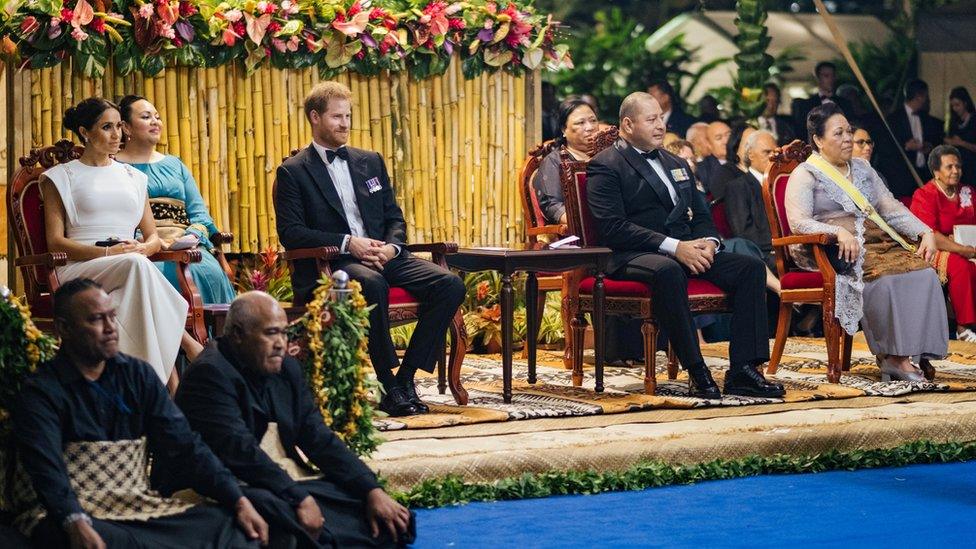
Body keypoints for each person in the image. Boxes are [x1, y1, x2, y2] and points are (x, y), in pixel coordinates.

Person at [11, 279, 268, 548]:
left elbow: (185, 445)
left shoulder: (137, 375)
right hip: (69, 512)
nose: (111, 328)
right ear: (64, 328)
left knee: (230, 527)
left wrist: (237, 499)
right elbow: (46, 469)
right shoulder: (41, 390)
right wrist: (74, 521)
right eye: (97, 320)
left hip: (134, 504)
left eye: (112, 317)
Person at [274, 81, 465, 417]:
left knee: (450, 284)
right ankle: (386, 381)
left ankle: (404, 379)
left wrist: (392, 248)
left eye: (348, 116)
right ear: (315, 117)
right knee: (372, 284)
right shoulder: (294, 171)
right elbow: (292, 233)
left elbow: (394, 217)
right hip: (333, 264)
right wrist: (349, 242)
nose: (345, 124)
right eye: (336, 117)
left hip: (383, 255)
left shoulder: (370, 161)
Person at [163, 292, 413, 548]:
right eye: (271, 333)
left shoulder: (286, 368)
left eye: (284, 333)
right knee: (285, 516)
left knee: (390, 519)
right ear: (237, 334)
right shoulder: (209, 374)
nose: (281, 343)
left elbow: (317, 436)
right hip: (221, 485)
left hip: (279, 480)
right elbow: (239, 452)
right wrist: (299, 499)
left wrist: (371, 489)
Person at [586, 91, 783, 399]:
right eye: (650, 120)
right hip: (632, 254)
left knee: (750, 268)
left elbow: (703, 213)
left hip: (686, 248)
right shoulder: (606, 165)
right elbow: (614, 227)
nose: (660, 126)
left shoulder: (675, 162)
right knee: (668, 271)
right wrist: (675, 247)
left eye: (660, 119)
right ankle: (696, 368)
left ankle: (744, 370)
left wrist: (709, 242)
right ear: (627, 124)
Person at [40, 97, 201, 390]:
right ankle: (185, 346)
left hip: (130, 266)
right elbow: (55, 243)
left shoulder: (133, 177)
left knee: (132, 284)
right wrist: (108, 252)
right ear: (84, 132)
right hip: (79, 269)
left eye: (118, 127)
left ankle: (146, 391)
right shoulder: (58, 177)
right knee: (134, 265)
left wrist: (144, 248)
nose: (117, 135)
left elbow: (152, 237)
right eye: (106, 127)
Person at [785, 103, 947, 382]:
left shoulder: (862, 168)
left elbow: (889, 207)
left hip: (875, 240)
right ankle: (892, 358)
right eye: (839, 133)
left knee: (924, 273)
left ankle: (911, 354)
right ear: (819, 141)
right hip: (832, 249)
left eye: (849, 131)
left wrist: (925, 232)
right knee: (884, 279)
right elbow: (798, 222)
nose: (848, 138)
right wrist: (837, 232)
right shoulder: (805, 173)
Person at [115, 95, 236, 305]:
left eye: (158, 117)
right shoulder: (113, 167)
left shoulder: (175, 164)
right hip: (142, 248)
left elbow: (199, 214)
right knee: (165, 274)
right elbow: (114, 217)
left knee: (206, 270)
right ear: (126, 127)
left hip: (185, 246)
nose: (155, 122)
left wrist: (189, 238)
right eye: (146, 117)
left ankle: (213, 338)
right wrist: (152, 242)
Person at [910, 145, 976, 341]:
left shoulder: (968, 191)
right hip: (935, 249)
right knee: (960, 266)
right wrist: (965, 250)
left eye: (958, 166)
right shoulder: (924, 194)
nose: (955, 171)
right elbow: (930, 234)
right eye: (949, 167)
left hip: (970, 247)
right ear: (936, 172)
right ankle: (963, 328)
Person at [533, 98, 599, 224]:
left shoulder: (608, 157)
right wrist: (584, 225)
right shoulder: (554, 161)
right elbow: (552, 205)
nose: (590, 127)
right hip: (579, 233)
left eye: (593, 121)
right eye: (580, 123)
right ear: (564, 129)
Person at [880, 79, 945, 199]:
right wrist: (907, 147)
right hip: (903, 177)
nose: (927, 99)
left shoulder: (926, 118)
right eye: (926, 95)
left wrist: (928, 146)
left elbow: (935, 140)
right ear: (919, 96)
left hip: (925, 174)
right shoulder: (894, 119)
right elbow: (884, 148)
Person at [790, 61, 852, 130]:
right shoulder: (806, 106)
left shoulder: (845, 104)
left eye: (833, 75)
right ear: (817, 78)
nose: (830, 79)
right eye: (826, 76)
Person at [945, 86, 976, 186]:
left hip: (972, 169)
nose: (955, 108)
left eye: (957, 105)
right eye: (952, 106)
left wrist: (960, 142)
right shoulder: (954, 122)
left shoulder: (974, 120)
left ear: (965, 103)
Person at [695, 120, 732, 194]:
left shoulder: (744, 160)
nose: (726, 141)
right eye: (719, 138)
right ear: (709, 144)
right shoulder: (702, 170)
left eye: (729, 135)